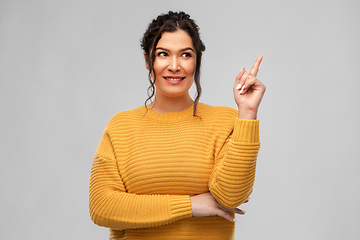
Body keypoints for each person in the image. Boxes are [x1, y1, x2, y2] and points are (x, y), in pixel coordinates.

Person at [89, 11, 266, 240]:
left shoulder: (226, 121)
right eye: (163, 54)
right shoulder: (121, 126)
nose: (174, 66)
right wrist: (191, 205)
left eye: (185, 55)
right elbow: (102, 207)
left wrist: (248, 112)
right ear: (147, 60)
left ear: (196, 61)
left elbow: (230, 197)